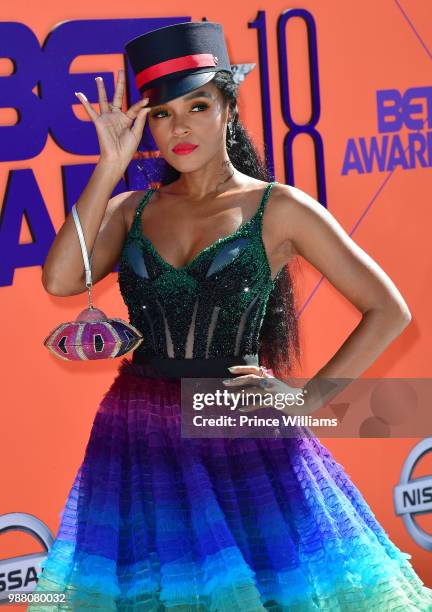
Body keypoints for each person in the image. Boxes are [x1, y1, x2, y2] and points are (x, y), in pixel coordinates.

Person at [29, 21, 432, 611]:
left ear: (229, 109)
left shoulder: (279, 207)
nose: (180, 127)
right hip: (140, 430)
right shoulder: (130, 207)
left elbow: (387, 310)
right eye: (162, 114)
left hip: (237, 418)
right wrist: (110, 166)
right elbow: (60, 279)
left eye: (197, 105)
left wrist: (308, 400)